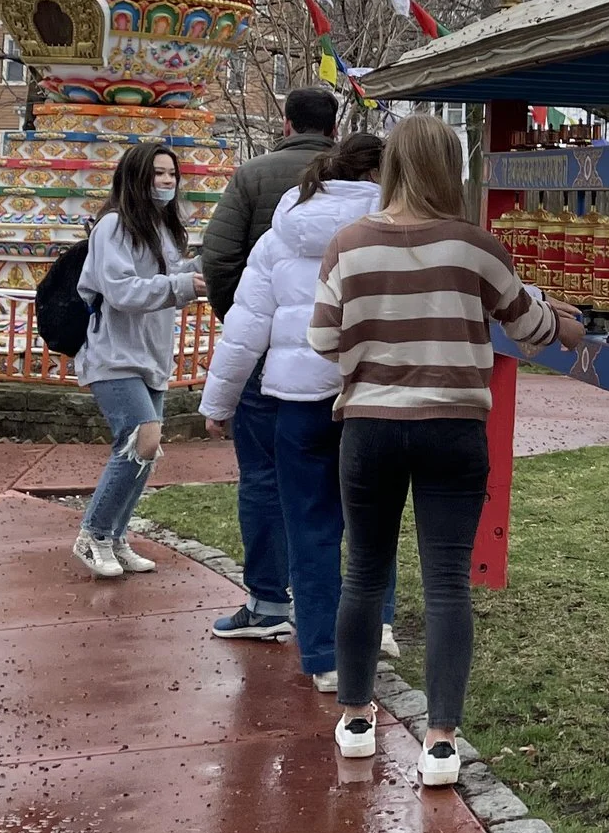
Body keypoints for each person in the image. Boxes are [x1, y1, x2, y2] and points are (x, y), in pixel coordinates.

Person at [309, 115, 583, 783]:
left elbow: (321, 343)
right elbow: (531, 324)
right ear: (450, 169)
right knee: (446, 583)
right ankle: (439, 741)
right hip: (454, 429)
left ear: (393, 166)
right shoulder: (476, 247)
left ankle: (353, 719)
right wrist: (569, 324)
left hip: (369, 429)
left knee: (363, 575)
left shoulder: (348, 245)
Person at [198, 133, 399, 688]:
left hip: (298, 402)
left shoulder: (280, 234)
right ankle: (378, 623)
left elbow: (244, 330)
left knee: (308, 524)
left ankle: (323, 656)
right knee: (373, 519)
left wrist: (218, 402)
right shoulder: (395, 228)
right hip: (373, 395)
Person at [198, 86, 338, 642]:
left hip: (264, 344)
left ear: (285, 123)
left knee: (262, 476)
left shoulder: (255, 177)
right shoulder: (361, 182)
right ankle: (343, 602)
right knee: (336, 479)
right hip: (342, 352)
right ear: (334, 126)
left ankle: (266, 599)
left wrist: (237, 315)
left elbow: (219, 254)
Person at [71, 142, 204, 579]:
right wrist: (182, 286)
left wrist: (206, 268)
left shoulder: (163, 231)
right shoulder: (112, 227)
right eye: (157, 174)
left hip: (150, 356)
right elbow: (123, 291)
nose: (167, 182)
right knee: (141, 438)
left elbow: (171, 279)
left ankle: (115, 534)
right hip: (113, 353)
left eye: (171, 174)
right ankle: (93, 535)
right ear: (135, 177)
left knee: (144, 451)